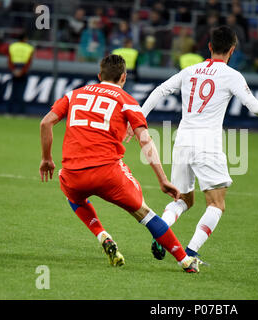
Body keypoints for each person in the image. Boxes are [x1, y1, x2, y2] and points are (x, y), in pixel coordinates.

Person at [126, 26, 258, 263]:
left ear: (210, 46)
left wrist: (137, 120)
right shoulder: (232, 76)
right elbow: (253, 106)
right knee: (217, 204)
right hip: (207, 145)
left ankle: (161, 232)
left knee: (183, 199)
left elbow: (159, 90)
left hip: (182, 141)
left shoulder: (190, 70)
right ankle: (190, 252)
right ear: (232, 50)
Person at [39, 54, 200, 273]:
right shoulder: (127, 101)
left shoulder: (73, 95)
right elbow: (145, 139)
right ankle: (184, 260)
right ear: (123, 77)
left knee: (73, 196)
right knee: (144, 213)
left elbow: (46, 122)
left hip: (73, 174)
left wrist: (47, 158)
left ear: (99, 76)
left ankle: (101, 235)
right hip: (108, 174)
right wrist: (163, 180)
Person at [7, 32, 34, 116]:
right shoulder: (29, 48)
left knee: (12, 92)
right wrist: (22, 71)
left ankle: (9, 112)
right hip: (23, 70)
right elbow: (29, 62)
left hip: (14, 68)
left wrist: (13, 70)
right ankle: (21, 112)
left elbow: (9, 60)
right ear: (25, 38)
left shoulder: (12, 46)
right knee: (21, 92)